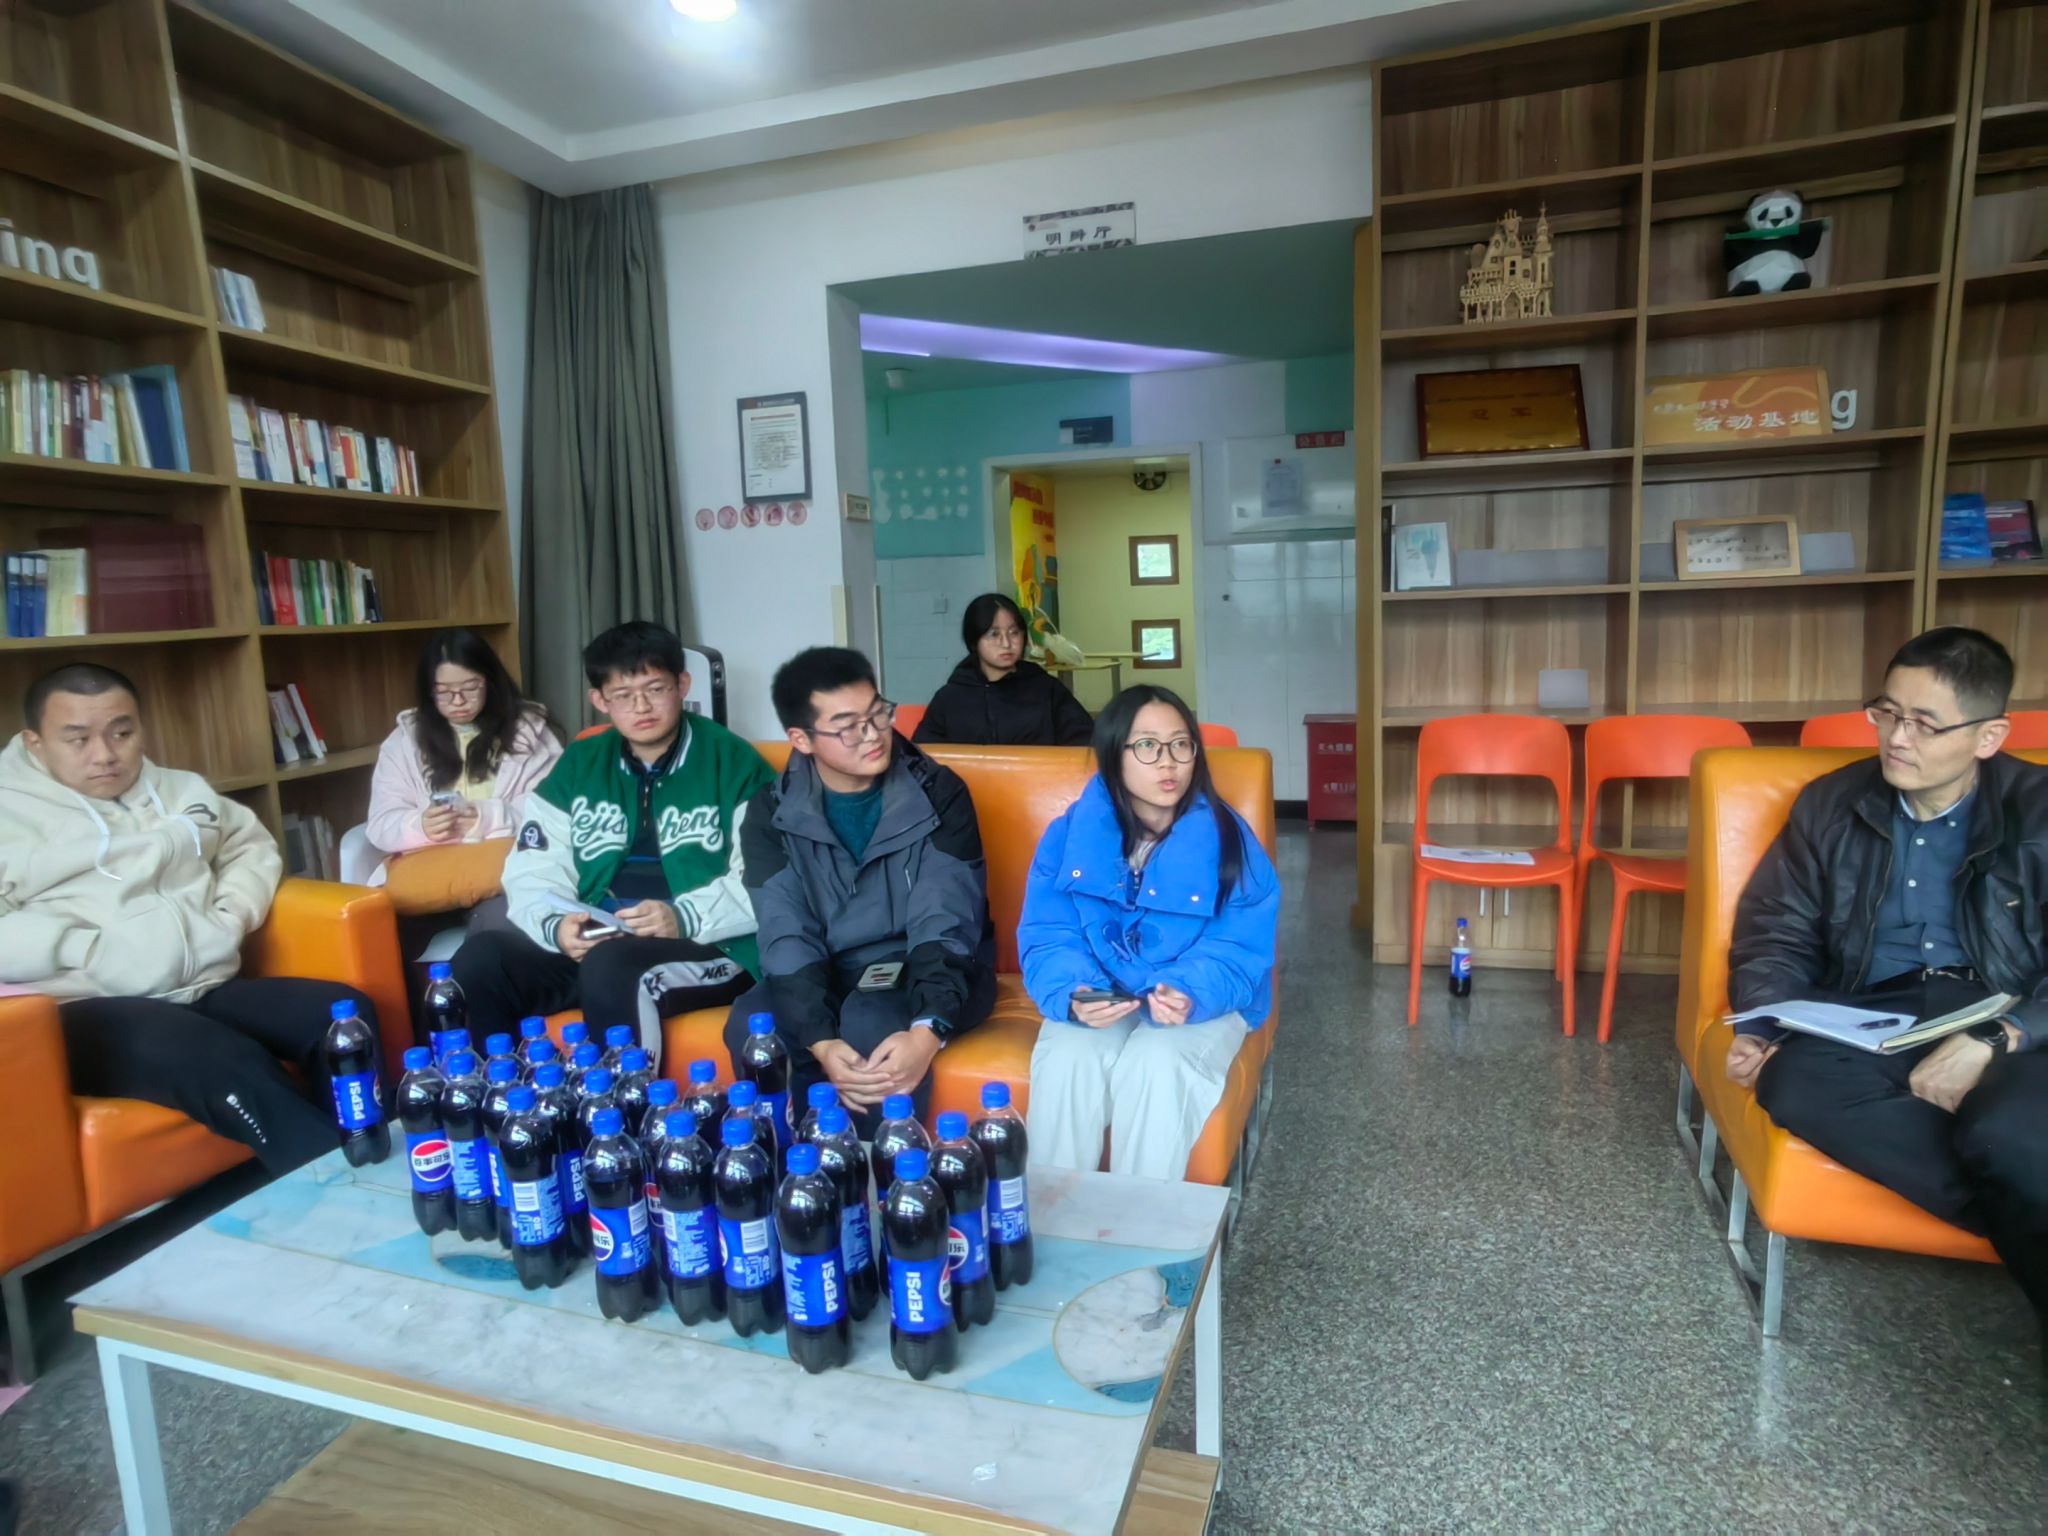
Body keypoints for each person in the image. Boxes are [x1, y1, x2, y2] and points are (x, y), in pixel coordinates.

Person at [1724, 628, 2046, 1325]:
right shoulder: (1830, 803)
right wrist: (1764, 1020)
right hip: (1879, 1009)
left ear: (1989, 736)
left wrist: (2000, 1035)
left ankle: (2010, 1168)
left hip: (2006, 1006)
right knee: (1794, 1081)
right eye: (1888, 712)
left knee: (2007, 1132)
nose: (1897, 738)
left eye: (1926, 723)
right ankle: (2021, 1207)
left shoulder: (2040, 811)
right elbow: (1776, 925)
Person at [0, 664, 380, 1172]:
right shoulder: (9, 815)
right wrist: (82, 948)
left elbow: (248, 847)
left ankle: (380, 1152)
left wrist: (230, 915)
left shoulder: (181, 791)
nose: (105, 754)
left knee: (343, 1017)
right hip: (87, 1006)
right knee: (222, 1058)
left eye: (122, 733)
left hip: (202, 983)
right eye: (78, 739)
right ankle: (350, 1190)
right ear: (36, 742)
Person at [449, 623, 771, 1060]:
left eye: (655, 689)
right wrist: (557, 926)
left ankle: (624, 1101)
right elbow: (534, 866)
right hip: (603, 938)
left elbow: (767, 878)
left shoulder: (733, 762)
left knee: (612, 964)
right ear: (600, 700)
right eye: (623, 695)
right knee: (483, 958)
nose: (642, 706)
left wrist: (683, 917)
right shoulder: (580, 764)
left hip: (710, 942)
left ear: (682, 685)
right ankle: (503, 1094)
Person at [1019, 684, 1278, 1181]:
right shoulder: (1068, 837)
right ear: (1113, 755)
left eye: (1181, 744)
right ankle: (1053, 1217)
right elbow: (1050, 933)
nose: (1169, 762)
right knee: (1069, 1055)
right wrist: (1075, 992)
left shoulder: (1231, 842)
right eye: (1147, 746)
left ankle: (1139, 1229)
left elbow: (1237, 949)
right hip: (1107, 990)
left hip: (1200, 1000)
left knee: (1155, 1064)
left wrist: (1188, 992)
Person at [732, 646, 996, 1132]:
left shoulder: (939, 793)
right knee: (755, 1023)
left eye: (878, 714)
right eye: (848, 726)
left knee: (871, 1024)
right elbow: (785, 929)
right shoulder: (771, 813)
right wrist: (819, 1040)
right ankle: (787, 1160)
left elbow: (946, 918)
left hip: (929, 964)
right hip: (830, 966)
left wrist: (929, 1030)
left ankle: (879, 1172)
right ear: (802, 739)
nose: (874, 734)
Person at [364, 627, 561, 879]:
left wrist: (489, 817)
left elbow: (554, 811)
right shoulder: (404, 742)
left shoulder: (529, 734)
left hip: (509, 870)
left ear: (490, 682)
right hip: (428, 874)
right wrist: (420, 826)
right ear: (428, 690)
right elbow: (380, 824)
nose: (458, 701)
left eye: (470, 688)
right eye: (443, 692)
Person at [913, 592, 1093, 747]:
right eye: (994, 634)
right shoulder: (950, 698)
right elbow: (923, 756)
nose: (1006, 643)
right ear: (974, 640)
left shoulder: (1047, 690)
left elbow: (1085, 743)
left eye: (1014, 633)